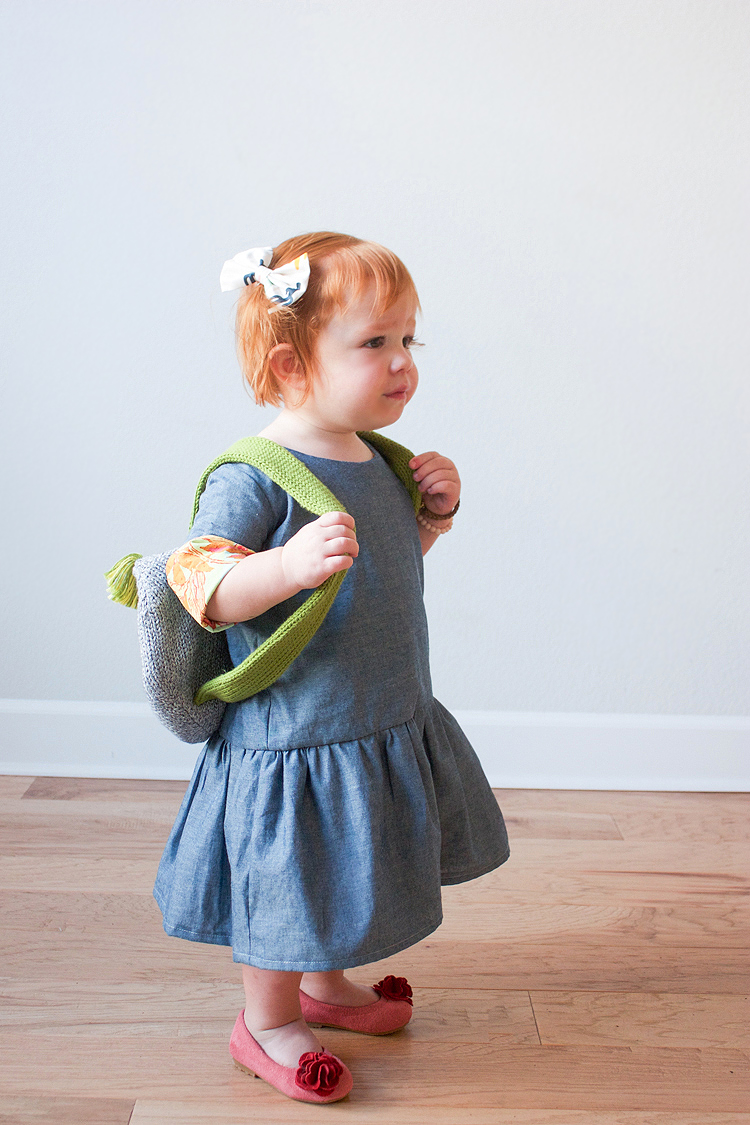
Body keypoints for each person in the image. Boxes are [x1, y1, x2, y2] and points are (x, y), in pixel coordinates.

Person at [154, 232, 509, 1103]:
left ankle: (325, 985)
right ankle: (267, 1019)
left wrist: (433, 514)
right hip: (296, 731)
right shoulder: (257, 474)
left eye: (407, 341)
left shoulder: (377, 458)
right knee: (290, 873)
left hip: (375, 713)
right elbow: (198, 578)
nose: (401, 364)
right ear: (289, 366)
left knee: (344, 862)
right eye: (373, 342)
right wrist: (282, 567)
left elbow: (386, 569)